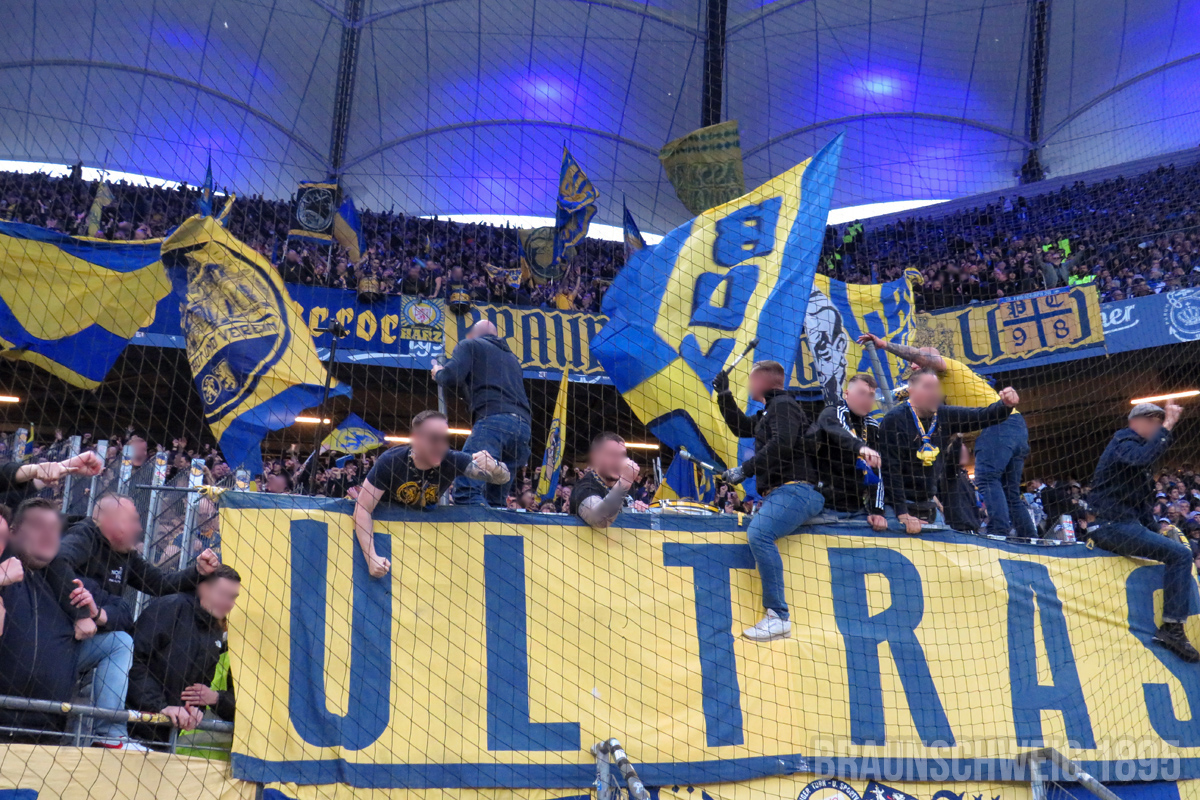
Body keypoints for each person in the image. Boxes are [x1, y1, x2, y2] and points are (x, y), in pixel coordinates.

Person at [859, 334, 1036, 539]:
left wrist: (884, 345)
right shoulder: (936, 395)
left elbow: (923, 359)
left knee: (987, 478)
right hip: (1014, 424)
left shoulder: (948, 368)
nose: (914, 365)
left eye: (917, 362)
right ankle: (1030, 537)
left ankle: (998, 533)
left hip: (999, 423)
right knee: (1009, 491)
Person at [712, 360, 823, 642]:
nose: (749, 385)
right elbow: (741, 427)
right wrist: (724, 395)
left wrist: (745, 469)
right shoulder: (772, 409)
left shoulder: (783, 405)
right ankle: (777, 616)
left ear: (761, 381)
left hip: (795, 490)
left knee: (759, 534)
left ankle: (778, 616)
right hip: (786, 492)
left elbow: (782, 443)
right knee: (760, 532)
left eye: (751, 380)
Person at [1087, 402, 1198, 662]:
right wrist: (1168, 424)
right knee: (1181, 555)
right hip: (1109, 526)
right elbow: (1142, 457)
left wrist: (1157, 533)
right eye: (1155, 423)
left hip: (1123, 525)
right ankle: (1172, 629)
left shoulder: (1138, 460)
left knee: (1175, 551)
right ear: (1138, 421)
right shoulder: (1123, 441)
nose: (1158, 428)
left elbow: (1142, 508)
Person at [354, 410, 510, 577]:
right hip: (384, 537)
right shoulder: (391, 461)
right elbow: (362, 508)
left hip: (424, 536)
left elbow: (503, 478)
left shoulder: (451, 459)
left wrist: (494, 465)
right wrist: (371, 557)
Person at [877, 368, 1020, 534]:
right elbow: (890, 470)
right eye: (928, 387)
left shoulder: (944, 415)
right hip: (898, 507)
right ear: (911, 391)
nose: (935, 393)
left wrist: (1005, 406)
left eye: (936, 387)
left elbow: (982, 416)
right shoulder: (894, 420)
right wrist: (902, 513)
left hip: (928, 503)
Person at [52, 493, 220, 631]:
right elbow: (58, 560)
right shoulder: (85, 535)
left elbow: (160, 583)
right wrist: (81, 615)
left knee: (122, 638)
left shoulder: (126, 553)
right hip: (61, 625)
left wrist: (197, 571)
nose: (139, 528)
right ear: (110, 523)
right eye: (133, 520)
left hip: (96, 626)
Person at [0, 499, 91, 742]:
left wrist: (94, 613)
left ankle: (110, 734)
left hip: (47, 732)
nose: (48, 535)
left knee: (118, 641)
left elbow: (122, 610)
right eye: (38, 526)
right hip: (3, 721)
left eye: (54, 528)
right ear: (13, 533)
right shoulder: (5, 569)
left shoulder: (64, 585)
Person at [127, 565, 241, 743]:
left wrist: (195, 709)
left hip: (166, 731)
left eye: (233, 597)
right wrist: (161, 706)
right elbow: (132, 659)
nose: (229, 603)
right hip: (129, 724)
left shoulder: (214, 630)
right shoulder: (171, 607)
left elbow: (200, 684)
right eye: (223, 594)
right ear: (203, 588)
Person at [432, 319, 532, 507]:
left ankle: (475, 525)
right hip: (523, 429)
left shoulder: (470, 344)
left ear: (473, 334)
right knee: (496, 498)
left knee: (466, 490)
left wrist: (438, 372)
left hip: (494, 420)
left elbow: (451, 376)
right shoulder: (512, 359)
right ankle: (495, 526)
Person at [809, 373, 886, 530]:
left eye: (871, 395)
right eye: (861, 393)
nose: (866, 399)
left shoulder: (872, 426)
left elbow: (879, 471)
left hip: (859, 509)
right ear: (846, 394)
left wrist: (877, 510)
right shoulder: (832, 413)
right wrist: (861, 448)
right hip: (825, 507)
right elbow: (840, 432)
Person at [569, 433, 648, 529]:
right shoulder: (584, 487)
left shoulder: (627, 487)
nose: (618, 461)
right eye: (612, 455)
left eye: (622, 455)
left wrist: (636, 509)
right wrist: (625, 481)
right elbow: (600, 520)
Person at [943, 436, 983, 533]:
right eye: (960, 450)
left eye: (965, 450)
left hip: (973, 530)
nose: (964, 453)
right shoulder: (949, 474)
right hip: (959, 530)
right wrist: (958, 438)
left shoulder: (966, 478)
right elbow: (952, 460)